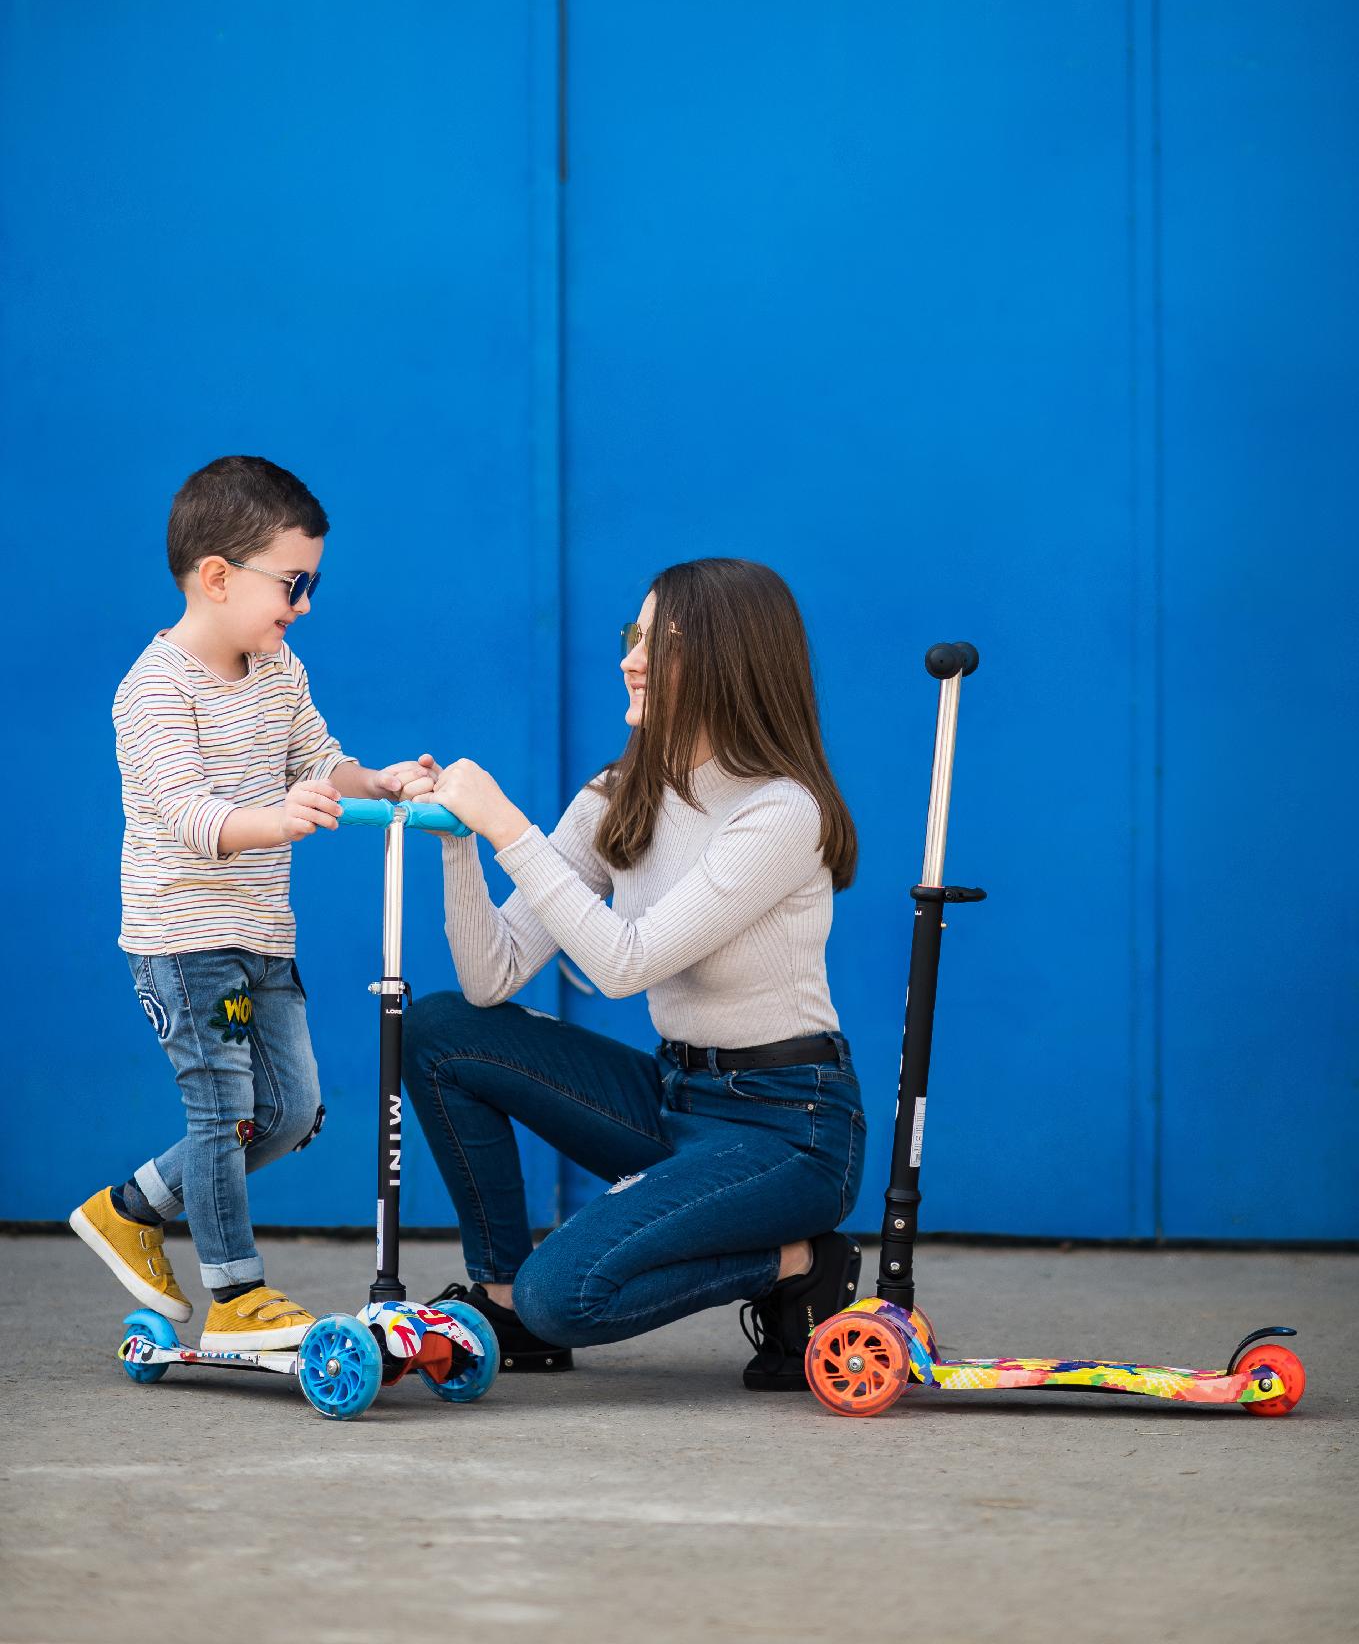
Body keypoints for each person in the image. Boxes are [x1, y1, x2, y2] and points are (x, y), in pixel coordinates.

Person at [403, 556, 867, 1391]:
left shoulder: (779, 811)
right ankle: (504, 1300)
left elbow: (624, 963)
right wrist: (458, 840)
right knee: (440, 1030)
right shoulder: (622, 792)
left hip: (786, 1128)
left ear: (732, 659)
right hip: (674, 1097)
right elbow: (490, 978)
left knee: (569, 1293)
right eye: (633, 635)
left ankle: (797, 1260)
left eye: (662, 642)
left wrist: (507, 825)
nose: (630, 658)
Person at [70, 455, 431, 1352]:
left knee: (293, 1112)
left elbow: (319, 761)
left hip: (262, 933)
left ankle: (127, 1211)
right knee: (222, 1113)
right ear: (219, 577)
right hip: (183, 939)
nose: (303, 604)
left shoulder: (279, 669)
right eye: (293, 583)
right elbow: (191, 817)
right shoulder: (153, 690)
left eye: (311, 585)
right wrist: (276, 820)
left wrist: (377, 782)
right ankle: (235, 1294)